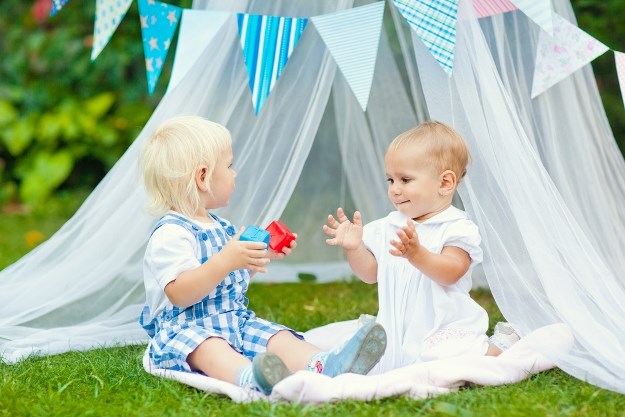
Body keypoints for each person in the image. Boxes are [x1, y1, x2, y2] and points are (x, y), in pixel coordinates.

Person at [138, 115, 387, 395]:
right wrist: (226, 260)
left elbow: (230, 280)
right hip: (187, 329)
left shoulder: (221, 226)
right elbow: (179, 293)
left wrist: (256, 257)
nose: (234, 173)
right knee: (211, 348)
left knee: (276, 337)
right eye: (229, 166)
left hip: (234, 320)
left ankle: (325, 363)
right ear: (203, 177)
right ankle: (251, 377)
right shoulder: (171, 234)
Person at [323, 121, 519, 372]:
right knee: (382, 361)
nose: (395, 189)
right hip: (398, 328)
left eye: (405, 179)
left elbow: (452, 272)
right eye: (390, 180)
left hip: (443, 328)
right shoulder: (388, 226)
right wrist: (354, 248)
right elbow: (370, 274)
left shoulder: (456, 226)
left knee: (452, 363)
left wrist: (417, 255)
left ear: (445, 183)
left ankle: (500, 346)